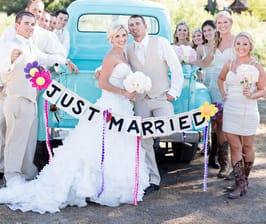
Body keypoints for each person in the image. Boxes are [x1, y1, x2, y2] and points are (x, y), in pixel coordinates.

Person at [0, 24, 149, 212]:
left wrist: (131, 89)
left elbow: (109, 74)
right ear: (111, 38)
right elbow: (103, 82)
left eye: (123, 35)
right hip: (110, 105)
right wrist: (123, 92)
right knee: (96, 146)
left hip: (123, 107)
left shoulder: (124, 54)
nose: (121, 38)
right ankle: (90, 186)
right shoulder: (112, 55)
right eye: (117, 36)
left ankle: (116, 185)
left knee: (119, 146)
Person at [0, 11, 68, 187]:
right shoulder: (9, 45)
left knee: (29, 142)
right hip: (17, 98)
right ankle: (12, 175)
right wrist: (11, 60)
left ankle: (27, 172)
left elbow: (47, 57)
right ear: (17, 25)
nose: (30, 27)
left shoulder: (31, 46)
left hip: (31, 101)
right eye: (26, 23)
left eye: (32, 24)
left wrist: (65, 61)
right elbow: (3, 68)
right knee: (15, 140)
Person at [127, 15, 184, 194]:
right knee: (144, 140)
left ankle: (157, 141)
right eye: (131, 25)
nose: (134, 27)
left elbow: (175, 67)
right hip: (141, 100)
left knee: (166, 127)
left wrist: (173, 92)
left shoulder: (160, 42)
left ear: (145, 26)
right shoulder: (127, 49)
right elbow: (118, 67)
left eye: (137, 24)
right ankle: (153, 180)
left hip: (161, 97)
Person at [218, 32, 266, 199]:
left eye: (245, 44)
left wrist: (252, 95)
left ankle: (245, 179)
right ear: (235, 45)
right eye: (238, 43)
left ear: (250, 46)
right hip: (231, 109)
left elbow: (263, 89)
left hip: (248, 110)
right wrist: (224, 94)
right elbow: (220, 79)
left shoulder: (256, 65)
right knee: (235, 147)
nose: (241, 47)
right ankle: (239, 184)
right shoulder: (230, 63)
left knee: (247, 147)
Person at [211, 11, 235, 178]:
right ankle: (223, 163)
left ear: (230, 23)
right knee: (219, 124)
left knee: (231, 125)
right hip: (214, 85)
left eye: (225, 22)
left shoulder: (237, 41)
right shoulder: (214, 42)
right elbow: (205, 61)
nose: (222, 25)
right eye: (219, 23)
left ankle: (236, 164)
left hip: (231, 87)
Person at [196, 20, 220, 169]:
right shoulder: (201, 48)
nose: (207, 33)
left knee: (216, 120)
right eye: (204, 31)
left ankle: (214, 155)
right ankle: (206, 146)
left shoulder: (220, 46)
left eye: (209, 30)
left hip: (218, 83)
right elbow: (201, 64)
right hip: (206, 84)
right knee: (207, 117)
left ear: (215, 30)